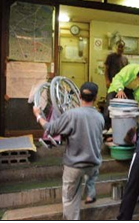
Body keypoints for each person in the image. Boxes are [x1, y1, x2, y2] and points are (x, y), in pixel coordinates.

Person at [33, 82, 104, 220]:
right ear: (95, 98)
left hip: (74, 165)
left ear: (79, 96)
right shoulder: (99, 117)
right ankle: (90, 192)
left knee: (70, 201)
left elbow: (50, 129)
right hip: (93, 163)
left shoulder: (71, 114)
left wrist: (38, 115)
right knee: (91, 176)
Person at [103, 57, 139, 133]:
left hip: (130, 91)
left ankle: (126, 130)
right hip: (117, 88)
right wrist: (120, 89)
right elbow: (118, 78)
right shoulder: (130, 68)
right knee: (110, 107)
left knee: (131, 110)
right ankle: (105, 128)